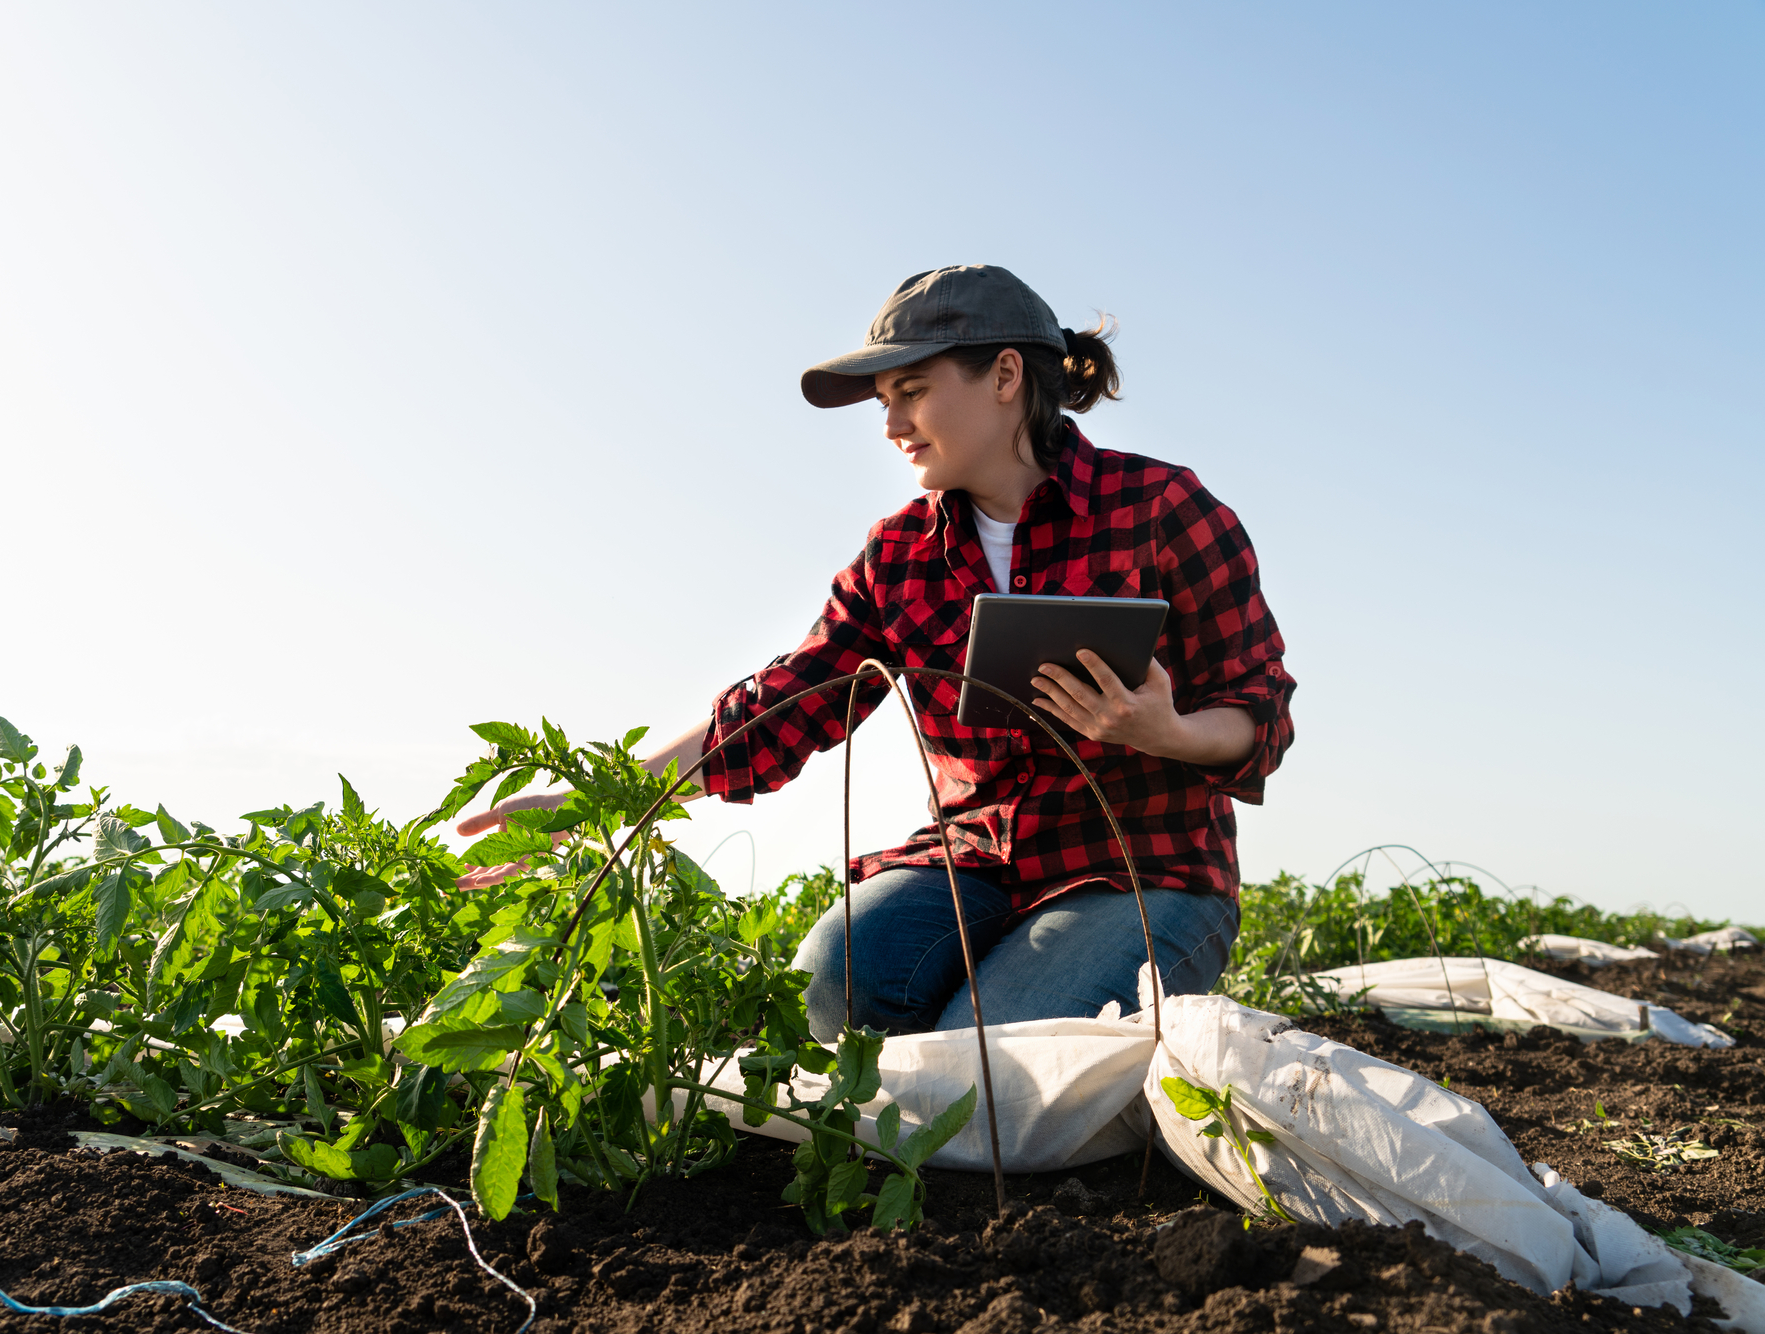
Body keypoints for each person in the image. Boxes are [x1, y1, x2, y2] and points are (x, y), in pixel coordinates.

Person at [458, 264, 1294, 1040]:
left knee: (1002, 1052)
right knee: (832, 982)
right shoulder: (898, 557)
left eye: (913, 391)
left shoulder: (1160, 507)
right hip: (975, 862)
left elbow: (1259, 708)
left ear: (1006, 378)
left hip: (1145, 871)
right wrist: (596, 803)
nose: (891, 424)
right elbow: (784, 704)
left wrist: (1167, 732)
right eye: (884, 400)